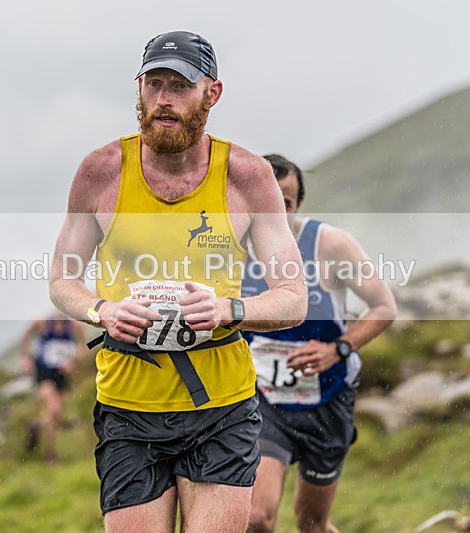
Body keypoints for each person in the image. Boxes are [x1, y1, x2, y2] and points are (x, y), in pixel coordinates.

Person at [48, 31, 307, 533]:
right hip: (127, 405)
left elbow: (293, 298)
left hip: (221, 405)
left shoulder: (247, 176)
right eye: (154, 84)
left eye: (181, 86)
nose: (163, 100)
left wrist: (230, 310)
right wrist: (103, 310)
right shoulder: (101, 172)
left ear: (212, 94)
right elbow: (62, 280)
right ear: (139, 89)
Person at [245, 154, 397, 533]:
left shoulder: (329, 244)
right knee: (257, 519)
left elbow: (383, 307)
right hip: (264, 401)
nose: (275, 212)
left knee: (312, 524)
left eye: (286, 203)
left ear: (298, 206)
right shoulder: (227, 250)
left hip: (328, 401)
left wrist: (338, 350)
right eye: (265, 201)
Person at [19, 312, 88, 463]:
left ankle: (36, 425)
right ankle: (50, 454)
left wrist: (73, 361)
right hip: (44, 373)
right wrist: (25, 358)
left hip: (62, 375)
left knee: (55, 417)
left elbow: (84, 346)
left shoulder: (74, 327)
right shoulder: (41, 324)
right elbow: (25, 337)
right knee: (54, 409)